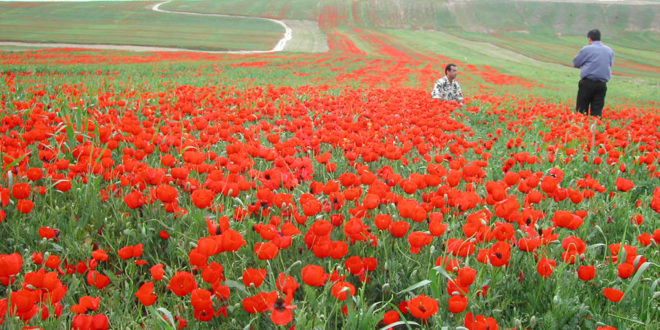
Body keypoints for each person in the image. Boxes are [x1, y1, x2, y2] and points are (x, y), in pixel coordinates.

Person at [572, 29, 614, 117]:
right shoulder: (609, 50)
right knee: (597, 112)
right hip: (602, 85)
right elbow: (609, 65)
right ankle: (594, 129)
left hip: (588, 83)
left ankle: (581, 129)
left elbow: (576, 63)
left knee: (581, 111)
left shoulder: (587, 49)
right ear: (599, 38)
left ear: (590, 39)